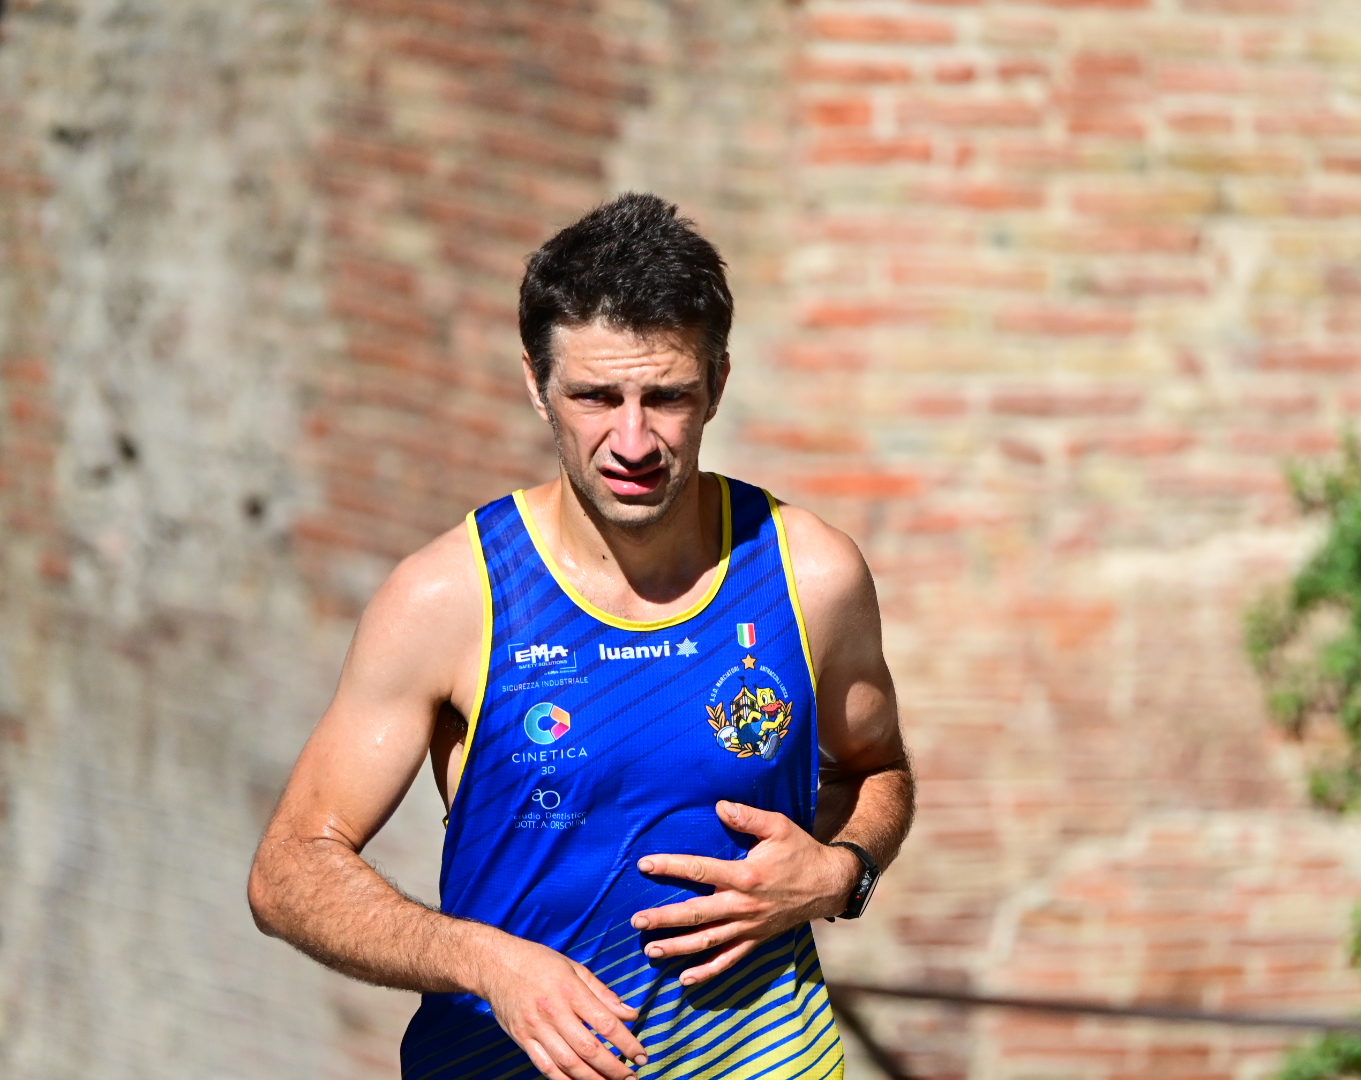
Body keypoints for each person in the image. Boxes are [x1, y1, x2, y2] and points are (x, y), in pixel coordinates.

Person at [247, 193, 914, 1080]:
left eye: (666, 397)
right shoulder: (452, 599)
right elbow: (289, 871)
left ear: (717, 385)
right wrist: (484, 961)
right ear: (536, 384)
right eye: (596, 396)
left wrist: (841, 873)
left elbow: (877, 767)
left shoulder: (810, 575)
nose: (632, 440)